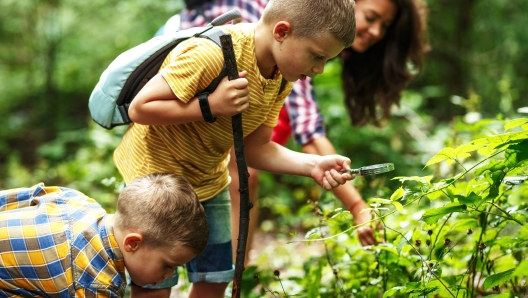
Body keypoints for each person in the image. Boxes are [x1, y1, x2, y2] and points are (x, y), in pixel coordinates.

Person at [113, 0, 357, 297]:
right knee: (154, 279)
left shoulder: (280, 79)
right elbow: (141, 107)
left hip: (208, 179)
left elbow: (255, 149)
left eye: (327, 60)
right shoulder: (211, 54)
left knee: (216, 277)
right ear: (282, 31)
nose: (319, 69)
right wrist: (210, 105)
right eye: (317, 56)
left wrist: (312, 165)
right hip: (156, 180)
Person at [162, 0, 429, 264]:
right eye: (371, 18)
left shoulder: (314, 43)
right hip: (176, 62)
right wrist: (357, 206)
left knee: (247, 162)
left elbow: (265, 142)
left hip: (225, 97)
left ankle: (229, 277)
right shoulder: (296, 28)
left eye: (385, 26)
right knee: (240, 173)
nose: (377, 32)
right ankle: (229, 271)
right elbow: (308, 129)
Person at [0, 173, 208, 297]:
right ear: (133, 243)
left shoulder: (80, 202)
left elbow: (18, 198)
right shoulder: (98, 283)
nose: (169, 275)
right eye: (168, 265)